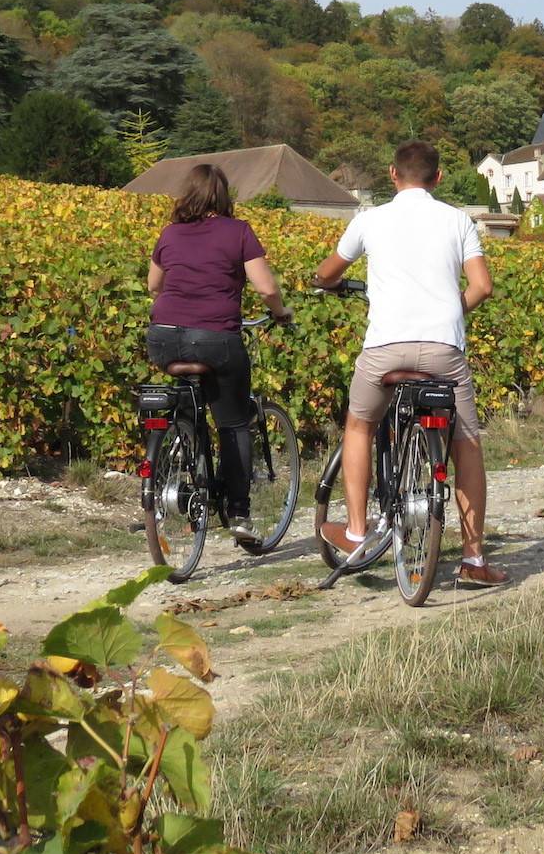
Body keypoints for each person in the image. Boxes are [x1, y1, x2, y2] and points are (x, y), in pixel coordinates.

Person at [313, 140, 507, 587]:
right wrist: (449, 311)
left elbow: (328, 272)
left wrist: (322, 282)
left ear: (392, 174)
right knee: (468, 442)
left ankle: (358, 531)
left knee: (359, 425)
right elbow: (482, 286)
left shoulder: (369, 219)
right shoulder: (458, 220)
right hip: (443, 350)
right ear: (438, 178)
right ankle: (474, 561)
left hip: (385, 348)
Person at [146, 164, 293, 544]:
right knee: (232, 422)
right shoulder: (238, 232)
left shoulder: (170, 233)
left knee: (189, 399)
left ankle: (183, 439)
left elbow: (153, 286)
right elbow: (265, 287)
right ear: (224, 196)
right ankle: (240, 514)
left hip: (162, 338)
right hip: (216, 339)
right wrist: (279, 313)